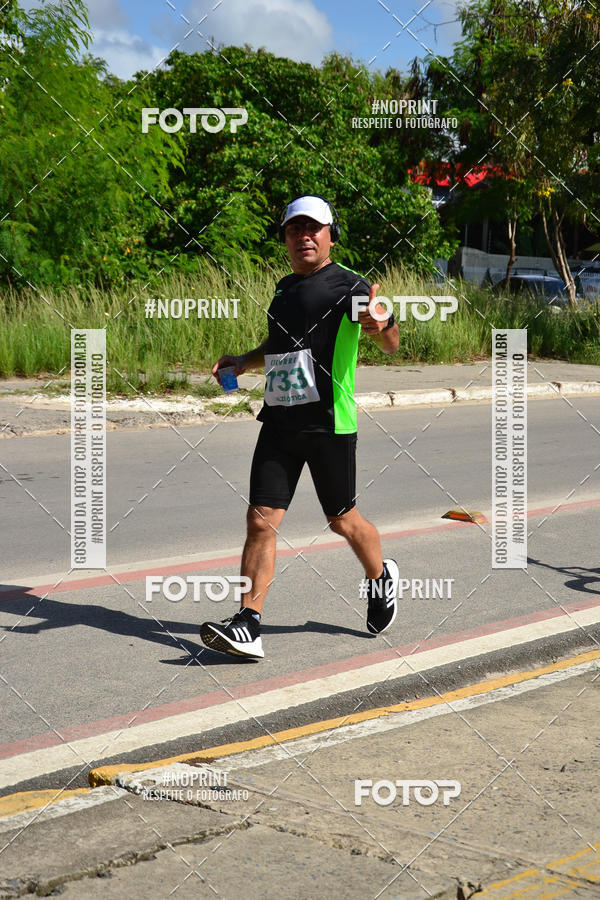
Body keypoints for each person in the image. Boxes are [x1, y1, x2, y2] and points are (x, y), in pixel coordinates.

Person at [200, 195, 400, 659]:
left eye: (314, 228)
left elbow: (388, 339)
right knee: (259, 521)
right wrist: (243, 362)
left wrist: (380, 323)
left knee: (342, 520)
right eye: (295, 229)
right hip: (279, 421)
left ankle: (380, 577)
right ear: (286, 238)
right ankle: (248, 623)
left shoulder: (349, 287)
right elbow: (278, 347)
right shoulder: (284, 289)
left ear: (331, 235)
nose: (304, 236)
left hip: (329, 423)